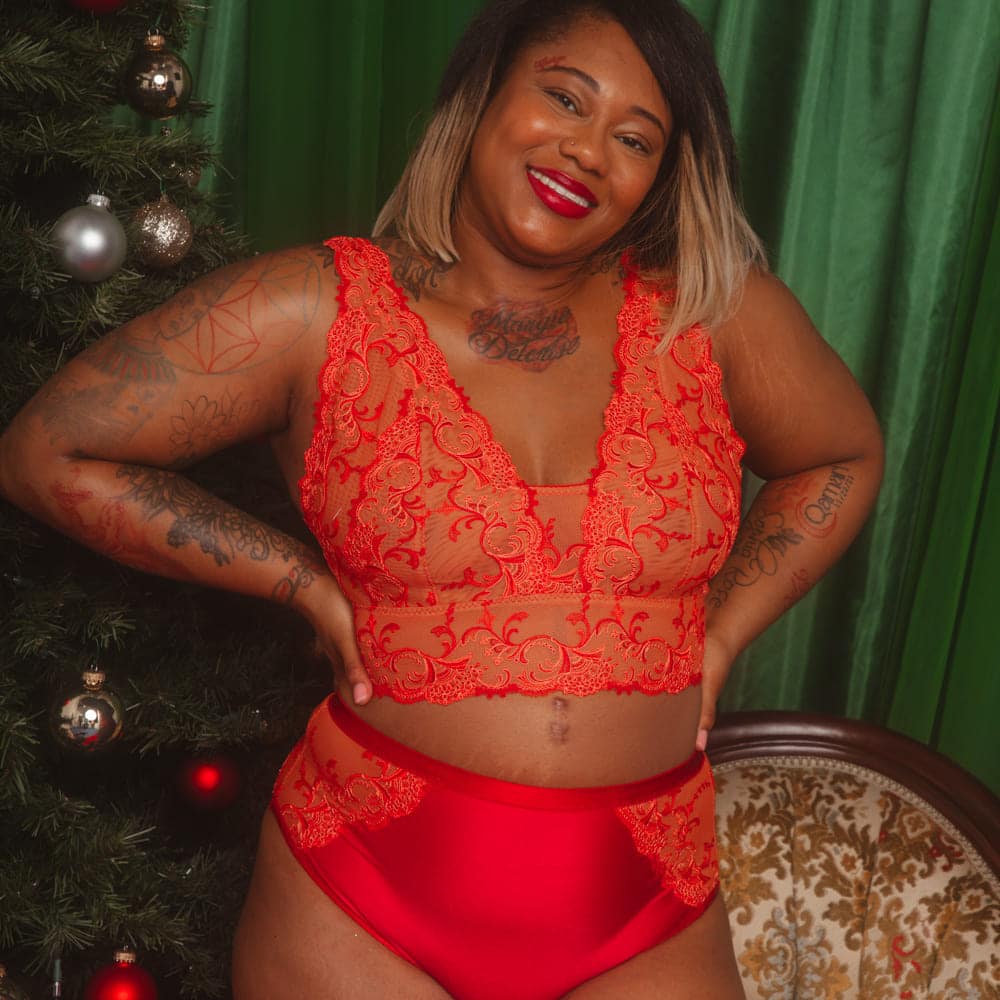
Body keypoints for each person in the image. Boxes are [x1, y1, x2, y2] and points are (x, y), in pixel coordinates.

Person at [0, 0, 884, 996]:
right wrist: (297, 578)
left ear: (660, 179)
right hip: (360, 903)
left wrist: (720, 633)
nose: (588, 151)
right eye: (565, 98)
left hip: (648, 909)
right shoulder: (314, 309)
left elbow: (840, 455)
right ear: (480, 92)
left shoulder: (714, 317)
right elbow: (49, 451)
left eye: (635, 139)